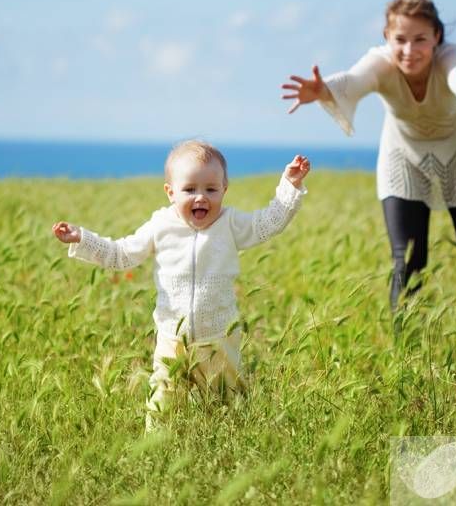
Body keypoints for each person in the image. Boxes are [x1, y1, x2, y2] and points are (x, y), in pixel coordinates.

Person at [52, 140, 310, 430]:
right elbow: (122, 254)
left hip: (219, 337)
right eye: (189, 190)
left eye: (211, 189)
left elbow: (268, 223)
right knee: (161, 405)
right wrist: (82, 239)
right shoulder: (160, 225)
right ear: (170, 192)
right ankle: (154, 452)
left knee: (229, 405)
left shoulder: (230, 223)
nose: (201, 197)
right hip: (171, 338)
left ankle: (234, 449)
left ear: (224, 189)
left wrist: (290, 185)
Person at [282, 0, 456, 311]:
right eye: (400, 39)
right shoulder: (381, 62)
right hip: (404, 160)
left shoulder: (453, 56)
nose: (409, 50)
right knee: (407, 262)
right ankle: (409, 348)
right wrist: (323, 90)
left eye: (420, 39)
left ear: (436, 36)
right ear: (387, 37)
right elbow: (356, 80)